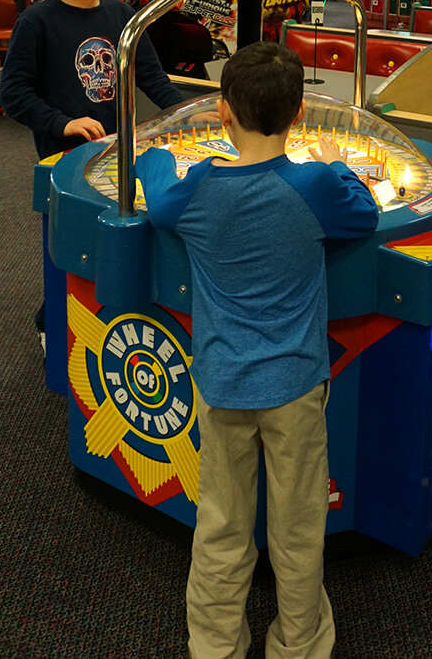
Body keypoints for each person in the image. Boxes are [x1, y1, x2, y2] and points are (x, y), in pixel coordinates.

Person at [136, 41, 378, 659]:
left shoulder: (196, 191)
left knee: (220, 524)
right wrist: (336, 163)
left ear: (222, 111)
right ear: (298, 114)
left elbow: (155, 181)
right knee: (299, 531)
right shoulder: (316, 184)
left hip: (221, 383)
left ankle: (215, 646)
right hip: (297, 385)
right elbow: (365, 216)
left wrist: (163, 157)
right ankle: (300, 645)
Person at [0, 0, 185, 343]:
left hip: (118, 149)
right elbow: (14, 94)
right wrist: (63, 122)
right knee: (67, 246)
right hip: (62, 157)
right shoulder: (37, 21)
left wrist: (188, 110)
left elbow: (152, 77)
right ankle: (52, 325)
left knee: (121, 237)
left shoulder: (123, 14)